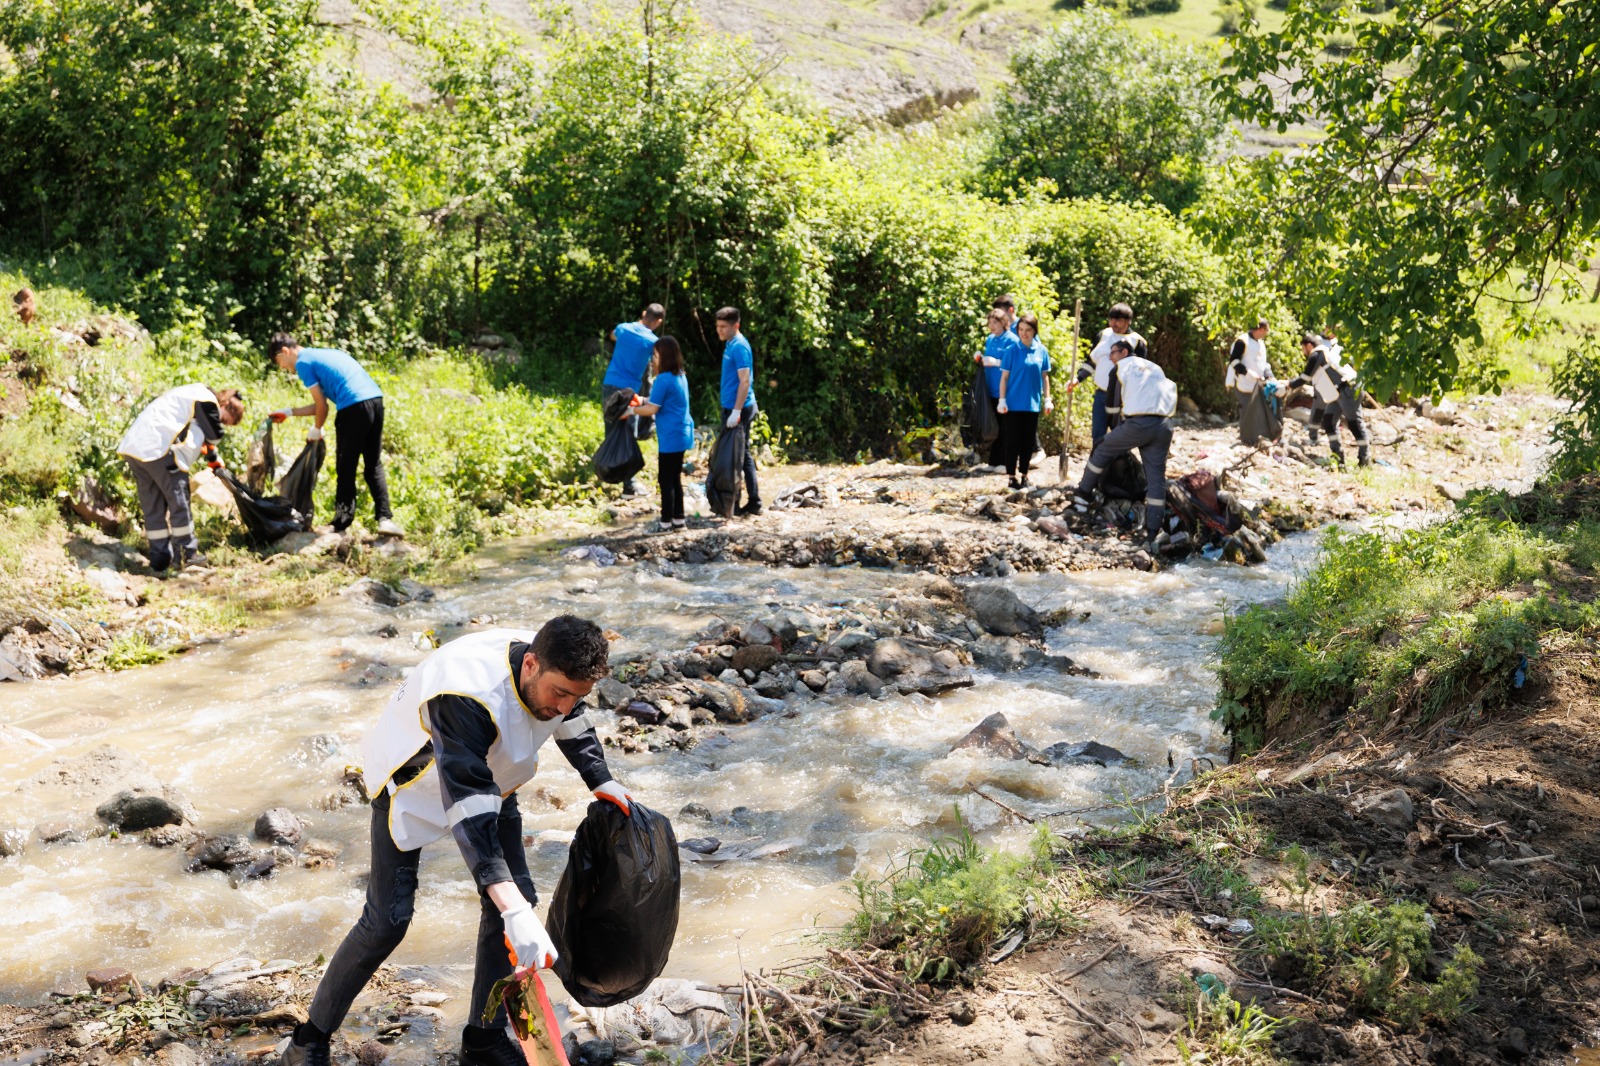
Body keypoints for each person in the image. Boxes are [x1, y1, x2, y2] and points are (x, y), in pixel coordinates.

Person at [277, 616, 636, 1066]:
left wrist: (599, 777)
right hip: (412, 781)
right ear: (530, 665)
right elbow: (469, 810)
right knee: (388, 918)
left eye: (576, 696)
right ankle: (307, 1041)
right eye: (559, 693)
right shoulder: (464, 694)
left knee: (514, 899)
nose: (564, 706)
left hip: (493, 776)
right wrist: (515, 910)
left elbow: (572, 720)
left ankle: (483, 1041)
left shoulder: (556, 663)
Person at [267, 334, 402, 537]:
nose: (283, 368)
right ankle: (385, 519)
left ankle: (341, 523)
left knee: (346, 467)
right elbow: (321, 404)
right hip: (375, 400)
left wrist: (316, 429)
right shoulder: (321, 353)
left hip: (353, 408)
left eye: (279, 362)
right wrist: (289, 412)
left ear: (285, 352)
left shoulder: (303, 363)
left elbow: (322, 406)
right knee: (373, 464)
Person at [116, 385, 246, 571]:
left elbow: (196, 429)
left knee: (153, 506)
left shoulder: (186, 396)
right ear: (224, 404)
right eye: (225, 419)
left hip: (135, 449)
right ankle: (187, 555)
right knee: (179, 502)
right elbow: (214, 433)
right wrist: (213, 452)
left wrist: (212, 458)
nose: (222, 423)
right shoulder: (206, 398)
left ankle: (159, 560)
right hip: (159, 450)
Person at [1072, 340, 1178, 552]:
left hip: (1138, 424)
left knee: (1101, 447)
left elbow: (1111, 407)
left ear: (1125, 352)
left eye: (1113, 352)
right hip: (1164, 424)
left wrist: (1115, 431)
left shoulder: (1121, 368)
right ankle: (1152, 532)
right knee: (1156, 477)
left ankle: (1082, 496)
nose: (1110, 357)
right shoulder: (1154, 367)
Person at [623, 336, 694, 530]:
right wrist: (641, 400)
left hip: (671, 436)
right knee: (675, 478)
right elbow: (660, 401)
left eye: (654, 356)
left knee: (665, 480)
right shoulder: (680, 375)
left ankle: (664, 523)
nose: (652, 360)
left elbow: (653, 409)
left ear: (664, 356)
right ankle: (678, 520)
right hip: (682, 433)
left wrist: (631, 410)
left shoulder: (663, 379)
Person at [604, 304, 665, 497]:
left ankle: (608, 473)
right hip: (629, 391)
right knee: (628, 433)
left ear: (643, 314)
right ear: (659, 322)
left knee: (611, 429)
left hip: (609, 384)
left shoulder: (624, 328)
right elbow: (657, 366)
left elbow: (613, 335)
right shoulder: (652, 341)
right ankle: (629, 486)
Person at [1290, 334, 1369, 467]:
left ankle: (1364, 458)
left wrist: (1289, 385)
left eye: (1303, 348)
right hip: (1337, 392)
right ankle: (1338, 456)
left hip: (1347, 390)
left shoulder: (1317, 354)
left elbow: (1305, 377)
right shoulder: (1327, 352)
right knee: (1328, 422)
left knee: (1354, 423)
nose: (1304, 352)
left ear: (1309, 345)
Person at [1076, 303, 1148, 447]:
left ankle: (1120, 468)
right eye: (1111, 319)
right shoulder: (1103, 335)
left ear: (1128, 321)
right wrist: (1077, 379)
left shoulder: (1137, 342)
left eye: (1118, 320)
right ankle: (1098, 467)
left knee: (1120, 436)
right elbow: (1092, 361)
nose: (1114, 323)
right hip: (1102, 394)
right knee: (1098, 435)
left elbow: (1141, 373)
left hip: (1122, 398)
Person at [995, 314, 1053, 489]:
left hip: (1032, 404)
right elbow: (1004, 377)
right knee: (1012, 441)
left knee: (1028, 443)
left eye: (1028, 330)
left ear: (1034, 331)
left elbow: (1045, 377)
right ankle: (1011, 477)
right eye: (1021, 330)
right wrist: (1002, 400)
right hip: (1012, 404)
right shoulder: (1011, 350)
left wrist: (1047, 399)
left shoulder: (1041, 351)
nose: (1024, 333)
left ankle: (1024, 475)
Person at [715, 307, 762, 517]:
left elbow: (745, 381)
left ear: (736, 326)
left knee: (739, 456)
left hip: (740, 408)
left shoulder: (740, 346)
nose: (720, 330)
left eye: (723, 327)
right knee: (740, 455)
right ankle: (743, 502)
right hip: (732, 406)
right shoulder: (729, 343)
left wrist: (736, 411)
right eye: (718, 326)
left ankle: (750, 503)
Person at [973, 308, 1020, 466]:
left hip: (1007, 390)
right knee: (995, 426)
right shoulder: (990, 339)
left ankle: (1006, 462)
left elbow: (1016, 365)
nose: (991, 326)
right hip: (991, 388)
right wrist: (980, 359)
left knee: (1006, 427)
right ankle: (994, 463)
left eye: (995, 322)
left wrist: (996, 362)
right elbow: (987, 359)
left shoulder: (1012, 340)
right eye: (990, 323)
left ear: (1003, 323)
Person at [1225, 319, 1278, 445]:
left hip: (1256, 384)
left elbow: (1263, 363)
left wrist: (1269, 376)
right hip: (1242, 381)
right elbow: (1233, 361)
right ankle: (1246, 438)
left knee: (1255, 410)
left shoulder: (1261, 344)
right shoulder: (1242, 341)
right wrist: (1247, 372)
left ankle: (1253, 436)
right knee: (1246, 410)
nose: (1266, 333)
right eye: (1266, 330)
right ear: (1260, 328)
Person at [1306, 325, 1345, 447]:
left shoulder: (1338, 345)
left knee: (1333, 412)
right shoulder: (1318, 342)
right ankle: (1313, 436)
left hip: (1334, 383)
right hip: (1321, 380)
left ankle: (1334, 440)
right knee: (1318, 408)